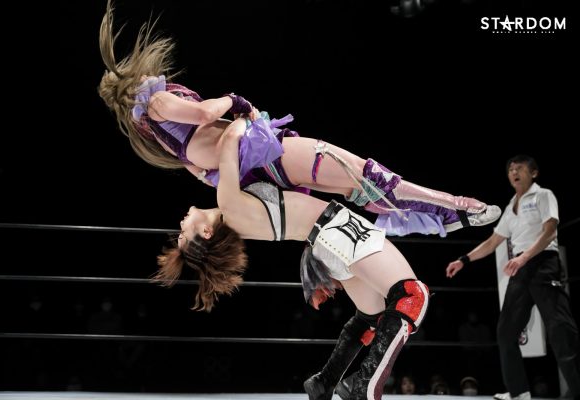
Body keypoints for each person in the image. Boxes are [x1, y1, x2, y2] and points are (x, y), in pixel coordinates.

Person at [98, 0, 501, 238]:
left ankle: (436, 219)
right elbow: (206, 112)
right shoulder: (156, 104)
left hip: (256, 164)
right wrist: (232, 101)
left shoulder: (159, 134)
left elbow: (201, 172)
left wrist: (232, 144)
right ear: (130, 84)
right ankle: (455, 208)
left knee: (355, 188)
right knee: (364, 175)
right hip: (262, 153)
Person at [154, 117, 429, 399]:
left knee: (372, 316)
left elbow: (199, 167)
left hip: (326, 242)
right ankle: (365, 386)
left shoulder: (231, 214)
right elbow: (229, 141)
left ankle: (325, 381)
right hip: (337, 231)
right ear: (206, 233)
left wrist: (159, 136)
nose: (181, 224)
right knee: (412, 295)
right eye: (183, 233)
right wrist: (242, 112)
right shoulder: (229, 204)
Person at [445, 155, 580, 400]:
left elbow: (550, 231)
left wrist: (524, 257)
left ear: (534, 173)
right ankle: (519, 392)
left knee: (561, 329)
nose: (514, 172)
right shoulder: (510, 207)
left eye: (519, 168)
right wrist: (464, 260)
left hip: (543, 263)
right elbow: (493, 241)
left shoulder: (543, 195)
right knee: (506, 332)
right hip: (521, 268)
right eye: (510, 169)